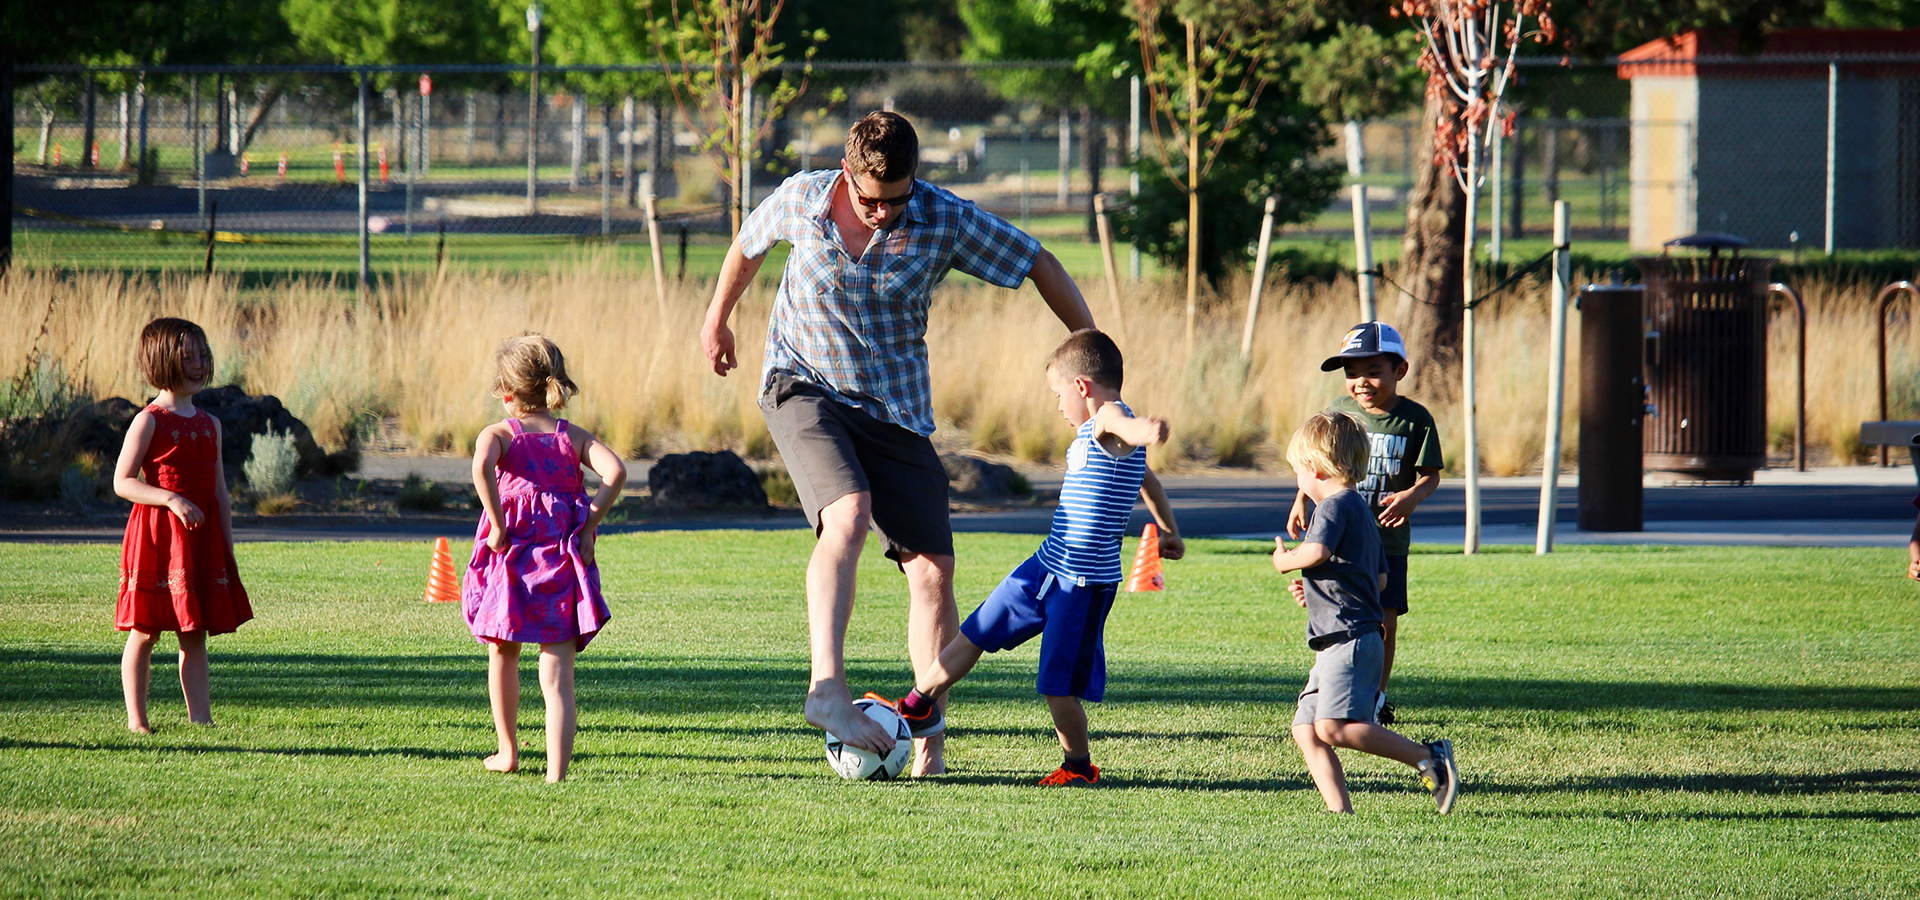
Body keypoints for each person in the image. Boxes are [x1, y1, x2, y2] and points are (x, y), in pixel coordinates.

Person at [699, 110, 1097, 773]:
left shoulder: (944, 218)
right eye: (870, 199)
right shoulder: (802, 197)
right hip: (803, 383)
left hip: (897, 410)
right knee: (848, 513)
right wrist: (717, 320)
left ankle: (927, 745)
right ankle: (826, 690)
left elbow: (1040, 263)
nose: (883, 212)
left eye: (897, 199)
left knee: (932, 572)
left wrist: (1091, 351)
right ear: (846, 176)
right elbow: (747, 244)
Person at [879, 330, 1183, 786]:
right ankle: (917, 706)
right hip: (1045, 566)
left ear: (1082, 387)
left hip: (1080, 585)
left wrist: (1148, 430)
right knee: (976, 632)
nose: (1058, 405)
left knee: (1057, 688)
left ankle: (1078, 767)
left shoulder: (1108, 418)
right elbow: (1151, 485)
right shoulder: (1104, 438)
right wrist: (1168, 530)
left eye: (1058, 394)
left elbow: (1122, 423)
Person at [1272, 412, 1457, 814]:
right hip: (1345, 638)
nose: (1298, 483)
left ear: (1314, 468)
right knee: (1306, 729)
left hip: (1349, 641)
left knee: (1332, 728)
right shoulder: (1360, 509)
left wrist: (1284, 560)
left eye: (1297, 473)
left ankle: (1429, 757)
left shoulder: (1333, 508)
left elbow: (1317, 552)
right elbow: (1377, 581)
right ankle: (1342, 815)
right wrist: (1320, 590)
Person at [463, 334, 627, 783]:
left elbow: (480, 467)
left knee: (503, 652)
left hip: (512, 559)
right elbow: (616, 473)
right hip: (560, 562)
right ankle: (556, 774)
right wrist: (589, 524)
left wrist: (496, 523)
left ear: (507, 392)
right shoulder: (570, 437)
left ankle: (508, 750)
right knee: (558, 679)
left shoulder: (498, 435)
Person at [1287, 322, 1441, 725]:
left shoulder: (1414, 419)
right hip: (1342, 534)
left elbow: (1431, 474)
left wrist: (1411, 497)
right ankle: (1337, 683)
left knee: (1383, 612)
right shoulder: (1339, 410)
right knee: (1338, 603)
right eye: (1352, 373)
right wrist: (1301, 498)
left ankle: (1375, 694)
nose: (1361, 382)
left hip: (1386, 537)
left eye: (1373, 371)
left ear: (1399, 371)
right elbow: (1314, 461)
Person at [112, 317, 253, 734]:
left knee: (194, 634)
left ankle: (202, 719)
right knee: (145, 631)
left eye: (201, 355)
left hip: (200, 544)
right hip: (156, 540)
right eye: (185, 356)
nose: (196, 364)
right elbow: (123, 482)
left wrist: (226, 546)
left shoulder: (211, 424)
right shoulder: (149, 420)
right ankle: (138, 722)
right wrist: (170, 499)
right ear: (161, 362)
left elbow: (220, 491)